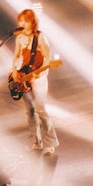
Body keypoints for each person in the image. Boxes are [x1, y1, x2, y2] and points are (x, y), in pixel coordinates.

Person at [9, 8, 60, 156]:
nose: (22, 24)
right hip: (24, 77)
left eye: (25, 21)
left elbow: (47, 59)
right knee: (30, 111)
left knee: (41, 110)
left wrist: (40, 73)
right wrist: (14, 71)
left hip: (39, 78)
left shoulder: (40, 37)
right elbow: (17, 56)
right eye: (21, 21)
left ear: (32, 22)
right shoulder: (19, 38)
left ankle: (50, 144)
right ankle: (37, 142)